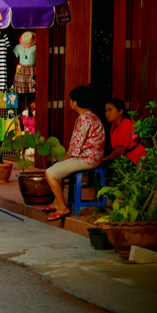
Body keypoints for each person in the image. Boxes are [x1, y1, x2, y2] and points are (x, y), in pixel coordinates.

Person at [44, 86, 105, 221]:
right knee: (58, 169)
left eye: (71, 100)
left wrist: (63, 160)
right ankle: (56, 202)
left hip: (87, 159)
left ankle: (62, 207)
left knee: (50, 173)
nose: (70, 103)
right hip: (92, 157)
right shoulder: (92, 116)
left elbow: (75, 149)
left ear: (76, 102)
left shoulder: (84, 119)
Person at [102, 98, 145, 165]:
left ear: (120, 111)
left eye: (110, 110)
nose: (107, 113)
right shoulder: (113, 126)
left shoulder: (125, 124)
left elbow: (120, 150)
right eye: (106, 111)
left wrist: (106, 159)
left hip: (137, 162)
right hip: (126, 161)